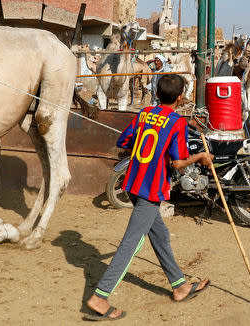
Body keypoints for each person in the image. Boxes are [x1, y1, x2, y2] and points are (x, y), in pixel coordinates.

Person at [84, 74, 214, 321]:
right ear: (180, 98)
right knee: (131, 243)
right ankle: (99, 297)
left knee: (160, 234)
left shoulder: (144, 113)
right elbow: (179, 164)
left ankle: (179, 286)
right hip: (149, 189)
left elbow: (124, 139)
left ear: (156, 94)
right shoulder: (176, 123)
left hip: (132, 183)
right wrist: (201, 158)